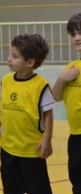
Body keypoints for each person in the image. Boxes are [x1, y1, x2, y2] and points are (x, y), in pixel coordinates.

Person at [0, 33, 55, 194]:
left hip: (31, 151)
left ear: (30, 62)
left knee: (38, 189)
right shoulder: (6, 80)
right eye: (10, 54)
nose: (9, 59)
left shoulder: (41, 86)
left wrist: (47, 140)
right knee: (11, 188)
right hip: (8, 148)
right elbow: (1, 106)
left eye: (14, 56)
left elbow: (48, 115)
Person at [52, 12, 81, 194]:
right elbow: (56, 96)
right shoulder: (71, 67)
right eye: (73, 34)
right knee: (77, 180)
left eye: (80, 32)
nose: (77, 38)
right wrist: (62, 78)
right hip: (76, 136)